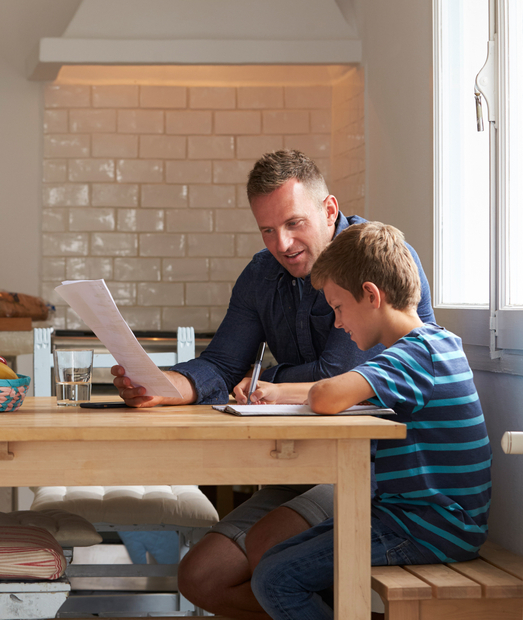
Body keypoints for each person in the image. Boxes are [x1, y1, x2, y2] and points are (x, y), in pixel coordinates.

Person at [110, 150, 436, 618]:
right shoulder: (261, 274)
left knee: (272, 551)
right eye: (267, 230)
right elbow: (222, 364)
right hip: (304, 466)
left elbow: (335, 378)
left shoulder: (374, 261)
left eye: (293, 223)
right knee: (200, 577)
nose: (281, 244)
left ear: (329, 210)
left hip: (375, 472)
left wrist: (264, 380)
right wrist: (161, 386)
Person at [250, 221, 492, 620]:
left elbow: (326, 396)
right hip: (420, 518)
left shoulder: (414, 356)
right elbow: (339, 391)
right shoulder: (434, 343)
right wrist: (281, 392)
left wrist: (296, 390)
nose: (338, 323)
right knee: (274, 559)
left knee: (275, 579)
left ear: (371, 295)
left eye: (338, 308)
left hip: (429, 528)